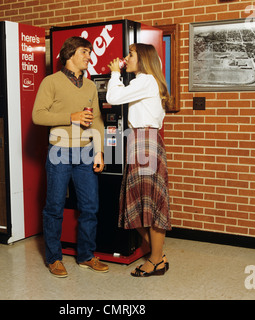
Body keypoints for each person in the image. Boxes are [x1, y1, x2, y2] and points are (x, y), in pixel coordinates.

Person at [32, 36, 109, 278]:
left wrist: (99, 151)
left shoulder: (89, 86)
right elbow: (38, 116)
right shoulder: (51, 82)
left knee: (90, 207)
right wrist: (71, 117)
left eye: (89, 53)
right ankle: (54, 258)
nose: (89, 56)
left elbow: (96, 120)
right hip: (59, 151)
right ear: (70, 53)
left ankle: (86, 255)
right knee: (54, 207)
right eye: (85, 52)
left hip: (86, 151)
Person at [107, 43, 172, 277]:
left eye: (130, 54)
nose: (126, 58)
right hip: (141, 141)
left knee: (149, 204)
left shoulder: (144, 80)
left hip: (144, 142)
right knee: (138, 203)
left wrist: (115, 72)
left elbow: (113, 97)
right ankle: (158, 257)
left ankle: (155, 260)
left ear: (143, 59)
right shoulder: (147, 81)